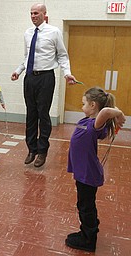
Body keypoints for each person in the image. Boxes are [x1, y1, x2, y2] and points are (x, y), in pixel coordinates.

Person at [11, 3, 76, 167]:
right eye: (31, 13)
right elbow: (27, 56)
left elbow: (62, 55)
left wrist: (67, 73)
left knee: (43, 114)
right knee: (31, 114)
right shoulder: (27, 33)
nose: (33, 16)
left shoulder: (54, 32)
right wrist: (18, 71)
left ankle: (42, 151)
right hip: (30, 77)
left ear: (44, 14)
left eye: (36, 13)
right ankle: (31, 148)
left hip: (46, 77)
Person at [65, 87, 125, 252]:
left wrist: (119, 114)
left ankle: (88, 240)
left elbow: (105, 111)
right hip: (83, 172)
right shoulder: (87, 120)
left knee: (85, 206)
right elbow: (104, 111)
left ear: (92, 105)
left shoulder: (95, 124)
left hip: (88, 174)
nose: (81, 106)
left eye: (83, 103)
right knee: (85, 204)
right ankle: (88, 228)